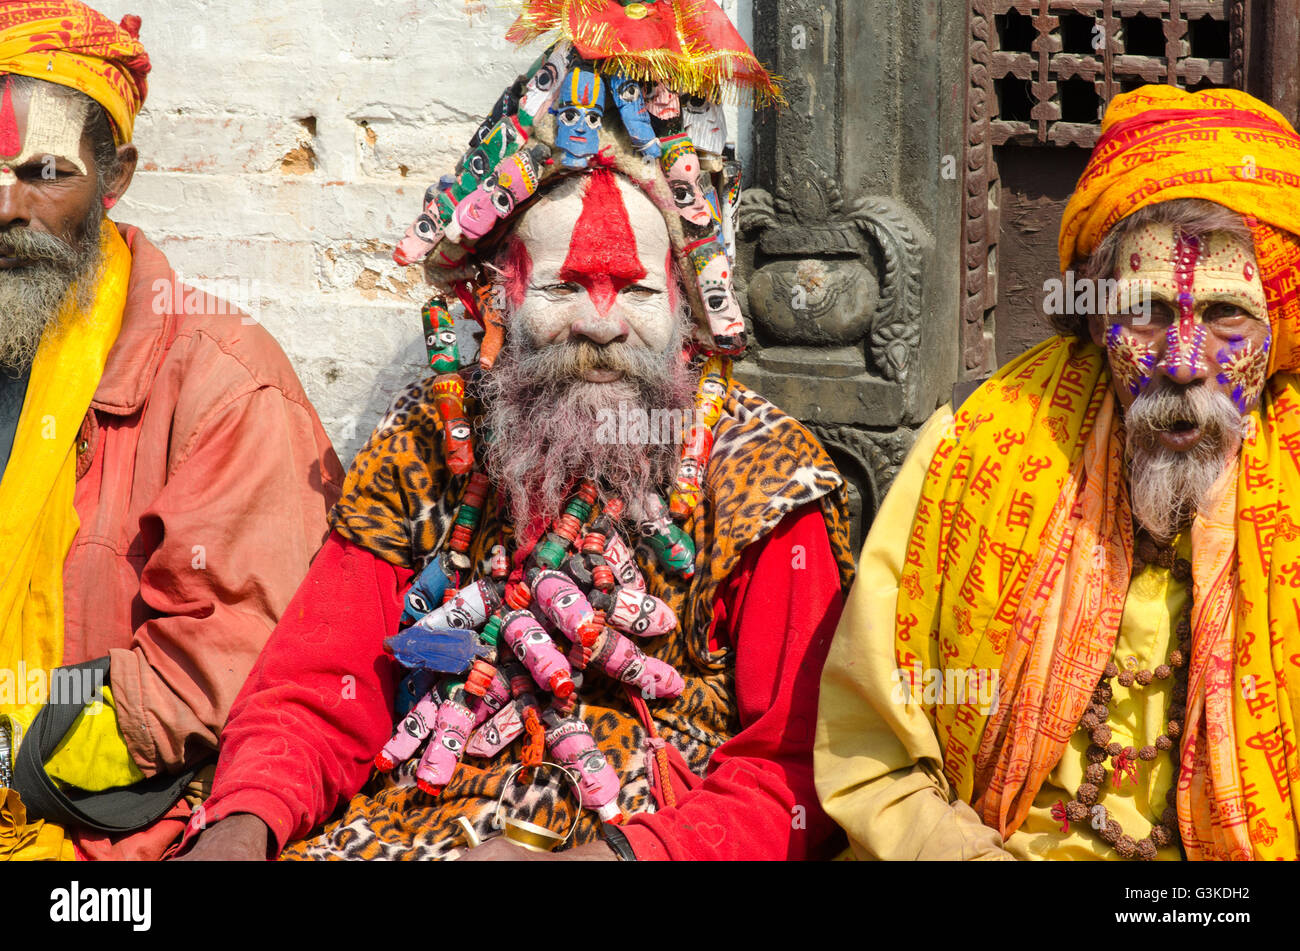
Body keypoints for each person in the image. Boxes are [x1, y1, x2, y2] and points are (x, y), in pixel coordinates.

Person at [180, 0, 855, 861]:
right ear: (500, 295)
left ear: (688, 308)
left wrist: (616, 859)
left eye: (639, 294)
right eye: (566, 289)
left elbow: (799, 768)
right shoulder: (436, 438)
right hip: (414, 821)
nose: (603, 328)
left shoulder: (761, 471)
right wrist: (245, 822)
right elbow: (319, 689)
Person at [815, 86, 1300, 861]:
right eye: (1145, 312)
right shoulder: (975, 446)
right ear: (1099, 318)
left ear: (1278, 330)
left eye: (1223, 317)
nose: (1182, 362)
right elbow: (875, 756)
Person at [0, 2, 342, 860]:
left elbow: (208, 670)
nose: (4, 205)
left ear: (115, 177)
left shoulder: (223, 384)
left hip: (84, 836)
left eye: (42, 170)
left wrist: (15, 757)